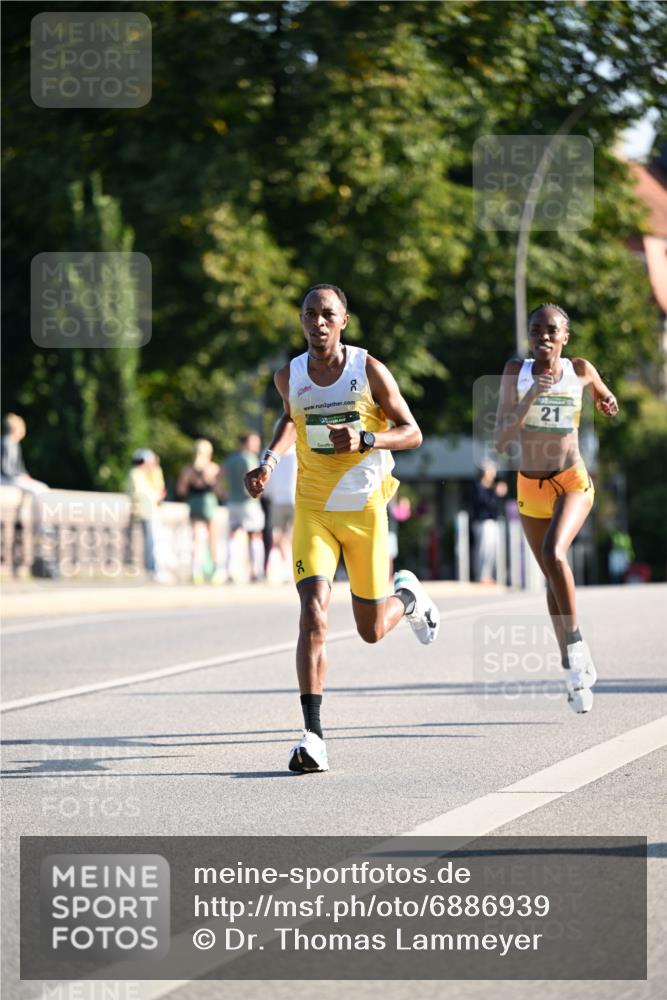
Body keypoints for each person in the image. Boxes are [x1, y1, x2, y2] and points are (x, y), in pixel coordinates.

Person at [245, 284, 440, 773]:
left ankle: (409, 598)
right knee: (313, 612)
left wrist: (366, 437)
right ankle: (312, 736)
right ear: (302, 320)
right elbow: (291, 420)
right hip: (313, 509)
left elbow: (412, 432)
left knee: (371, 631)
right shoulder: (289, 375)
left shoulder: (367, 370)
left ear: (344, 320)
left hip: (366, 511)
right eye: (310, 314)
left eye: (327, 314)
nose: (318, 322)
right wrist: (268, 461)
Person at [495, 303, 619, 713]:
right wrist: (533, 393)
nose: (543, 336)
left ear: (565, 337)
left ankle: (577, 643)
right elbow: (501, 439)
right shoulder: (517, 372)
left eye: (552, 330)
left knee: (553, 553)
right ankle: (571, 665)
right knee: (551, 577)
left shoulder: (580, 368)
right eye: (536, 330)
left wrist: (606, 401)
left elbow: (603, 394)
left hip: (571, 480)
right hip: (530, 486)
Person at [176, 438, 224, 584]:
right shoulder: (213, 468)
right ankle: (216, 572)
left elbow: (181, 490)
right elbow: (219, 491)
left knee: (197, 538)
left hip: (194, 503)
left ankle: (196, 571)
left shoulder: (188, 469)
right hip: (209, 502)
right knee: (212, 539)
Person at [222, 433, 266, 583]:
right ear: (246, 443)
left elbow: (219, 476)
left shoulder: (231, 459)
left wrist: (223, 492)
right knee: (255, 535)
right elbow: (254, 478)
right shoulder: (249, 458)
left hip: (232, 500)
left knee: (233, 536)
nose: (257, 445)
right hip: (249, 502)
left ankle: (229, 570)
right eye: (254, 442)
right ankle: (256, 571)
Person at [127, 449, 167, 581]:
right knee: (152, 542)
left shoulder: (152, 473)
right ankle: (152, 569)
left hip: (153, 511)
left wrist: (155, 470)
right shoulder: (136, 473)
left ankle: (154, 568)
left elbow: (160, 487)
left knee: (155, 541)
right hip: (145, 511)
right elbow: (142, 493)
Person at [470, 463, 507, 583]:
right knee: (483, 550)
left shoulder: (492, 487)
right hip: (482, 522)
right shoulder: (478, 487)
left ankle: (488, 575)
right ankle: (481, 575)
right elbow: (484, 503)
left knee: (492, 550)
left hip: (493, 521)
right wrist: (495, 493)